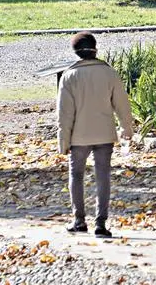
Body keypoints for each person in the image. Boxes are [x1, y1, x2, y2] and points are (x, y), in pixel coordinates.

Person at [57, 31, 134, 238]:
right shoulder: (109, 73)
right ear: (95, 49)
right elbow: (122, 105)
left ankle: (79, 220)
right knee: (103, 177)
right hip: (104, 134)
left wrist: (63, 141)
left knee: (76, 175)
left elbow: (64, 114)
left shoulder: (69, 76)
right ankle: (101, 223)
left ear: (76, 52)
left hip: (78, 137)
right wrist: (127, 128)